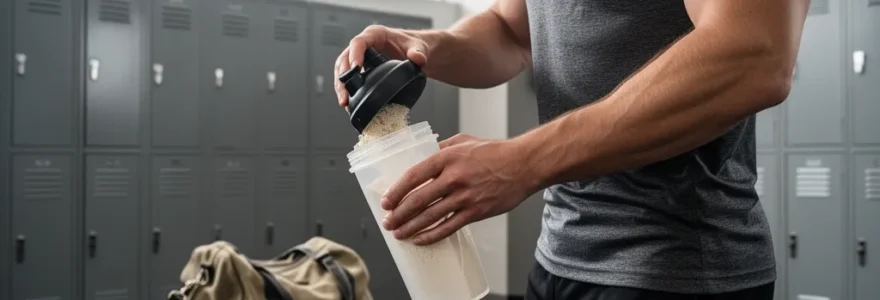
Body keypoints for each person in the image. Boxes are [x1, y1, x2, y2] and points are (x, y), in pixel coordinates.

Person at [334, 1, 809, 299]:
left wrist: (523, 161)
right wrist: (424, 46)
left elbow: (755, 52)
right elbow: (511, 30)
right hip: (559, 256)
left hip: (672, 268)